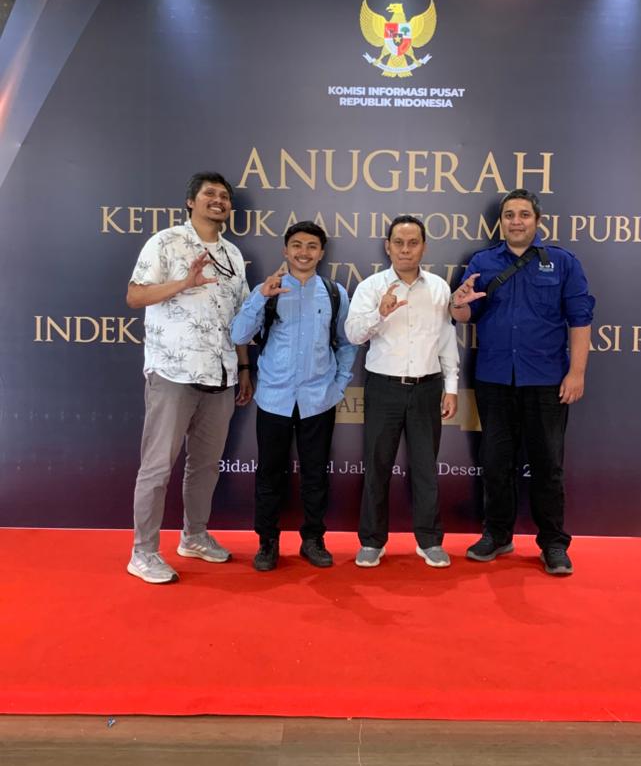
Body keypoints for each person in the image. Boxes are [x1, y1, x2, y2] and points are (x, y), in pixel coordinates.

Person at [450, 188, 595, 576]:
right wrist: (458, 303)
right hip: (494, 378)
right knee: (496, 463)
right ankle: (497, 535)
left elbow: (580, 320)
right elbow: (465, 315)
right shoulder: (482, 261)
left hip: (546, 381)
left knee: (547, 466)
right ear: (501, 222)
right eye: (509, 215)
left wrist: (577, 373)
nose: (516, 221)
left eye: (524, 214)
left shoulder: (562, 262)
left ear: (537, 220)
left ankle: (553, 543)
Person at [126, 172, 252, 584]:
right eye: (209, 194)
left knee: (205, 466)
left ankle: (194, 536)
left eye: (224, 196)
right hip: (173, 372)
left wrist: (243, 367)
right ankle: (143, 552)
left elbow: (239, 319)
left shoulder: (233, 254)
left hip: (221, 374)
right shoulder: (165, 242)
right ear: (190, 202)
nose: (218, 200)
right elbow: (135, 295)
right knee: (157, 467)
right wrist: (185, 282)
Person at [231, 221, 356, 571]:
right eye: (297, 245)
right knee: (269, 473)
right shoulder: (267, 290)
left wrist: (339, 385)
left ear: (322, 252)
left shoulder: (335, 293)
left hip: (319, 399)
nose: (304, 252)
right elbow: (238, 334)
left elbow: (347, 344)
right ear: (285, 251)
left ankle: (313, 539)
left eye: (312, 246)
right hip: (275, 397)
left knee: (315, 474)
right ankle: (267, 542)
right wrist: (261, 297)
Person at [345, 215, 459, 568]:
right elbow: (352, 334)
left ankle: (429, 540)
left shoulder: (439, 288)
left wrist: (451, 386)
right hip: (383, 388)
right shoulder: (371, 287)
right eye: (398, 242)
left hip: (427, 387)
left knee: (425, 468)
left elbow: (446, 339)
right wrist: (379, 314)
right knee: (377, 466)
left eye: (413, 243)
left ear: (424, 246)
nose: (405, 249)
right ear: (387, 246)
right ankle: (372, 541)